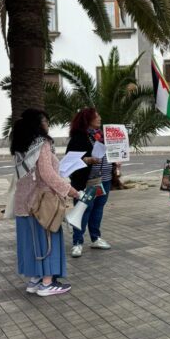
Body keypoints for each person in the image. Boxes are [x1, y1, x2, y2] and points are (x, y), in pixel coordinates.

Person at [11, 109, 79, 296]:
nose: (47, 125)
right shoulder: (42, 143)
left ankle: (34, 280)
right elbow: (47, 174)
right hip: (42, 203)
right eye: (46, 122)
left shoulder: (20, 143)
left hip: (23, 203)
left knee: (30, 242)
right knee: (48, 239)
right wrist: (69, 190)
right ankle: (47, 284)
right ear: (39, 124)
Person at [66, 108, 113, 256]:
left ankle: (95, 238)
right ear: (88, 119)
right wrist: (88, 160)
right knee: (83, 209)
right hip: (87, 181)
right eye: (96, 116)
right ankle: (77, 242)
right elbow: (71, 160)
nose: (99, 118)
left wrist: (116, 160)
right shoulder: (79, 137)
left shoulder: (102, 136)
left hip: (105, 179)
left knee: (98, 208)